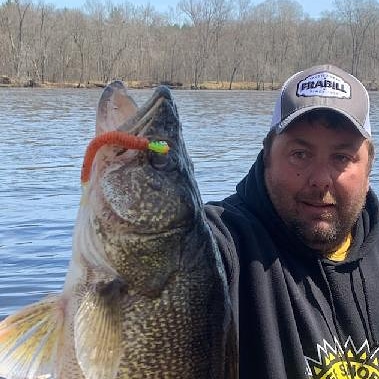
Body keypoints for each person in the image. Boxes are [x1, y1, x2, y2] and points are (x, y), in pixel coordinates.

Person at [205, 64, 379, 378]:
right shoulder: (223, 241)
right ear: (267, 155)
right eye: (300, 154)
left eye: (342, 157)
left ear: (369, 167)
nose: (320, 180)